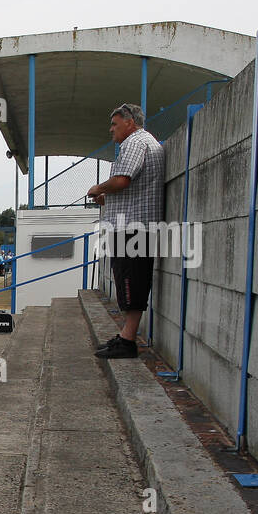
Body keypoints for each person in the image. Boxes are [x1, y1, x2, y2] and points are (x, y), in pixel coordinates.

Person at [87, 102, 166, 359]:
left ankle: (128, 340)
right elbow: (132, 189)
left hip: (133, 228)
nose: (111, 130)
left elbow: (122, 180)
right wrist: (107, 198)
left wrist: (98, 188)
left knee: (131, 283)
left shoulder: (134, 143)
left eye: (114, 124)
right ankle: (125, 336)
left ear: (129, 122)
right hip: (135, 225)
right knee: (129, 281)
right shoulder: (145, 142)